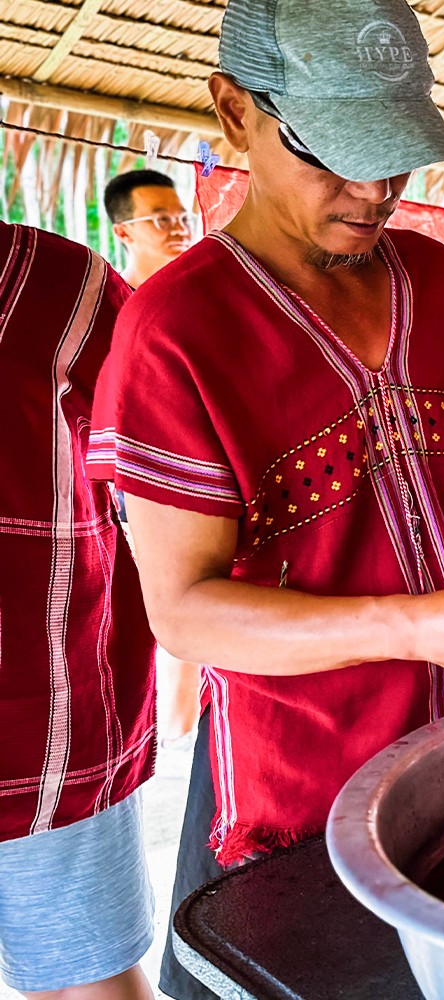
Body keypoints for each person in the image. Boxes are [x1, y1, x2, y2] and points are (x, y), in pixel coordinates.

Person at [86, 2, 444, 997]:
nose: (376, 189)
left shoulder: (434, 277)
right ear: (233, 112)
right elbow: (186, 611)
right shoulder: (179, 330)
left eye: (394, 155)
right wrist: (418, 625)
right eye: (336, 152)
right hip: (292, 805)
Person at [0, 223, 158, 999]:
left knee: (87, 979)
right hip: (50, 722)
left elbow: (173, 454)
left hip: (46, 733)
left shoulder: (57, 288)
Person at [105, 168, 205, 744]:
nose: (175, 229)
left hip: (204, 474)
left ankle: (183, 728)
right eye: (159, 220)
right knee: (173, 605)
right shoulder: (115, 307)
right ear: (124, 233)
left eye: (179, 217)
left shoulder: (196, 298)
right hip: (139, 482)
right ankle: (171, 731)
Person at [104, 169, 196, 289]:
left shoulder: (201, 295)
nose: (181, 230)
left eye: (184, 219)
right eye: (163, 219)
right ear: (123, 232)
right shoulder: (110, 302)